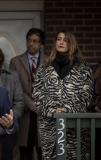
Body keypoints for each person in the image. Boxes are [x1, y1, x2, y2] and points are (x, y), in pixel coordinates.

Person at [33, 29, 93, 160]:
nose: (61, 42)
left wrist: (67, 111)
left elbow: (86, 96)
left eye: (65, 40)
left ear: (72, 43)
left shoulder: (83, 68)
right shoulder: (44, 68)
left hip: (74, 128)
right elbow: (38, 95)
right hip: (49, 126)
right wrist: (53, 110)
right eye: (59, 39)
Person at [9, 28, 47, 160]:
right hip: (24, 112)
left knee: (44, 152)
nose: (31, 44)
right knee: (25, 152)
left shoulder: (49, 62)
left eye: (35, 41)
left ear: (41, 44)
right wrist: (30, 103)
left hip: (43, 114)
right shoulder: (15, 61)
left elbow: (52, 88)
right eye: (29, 40)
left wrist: (40, 104)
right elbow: (14, 86)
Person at [0, 44, 24, 160]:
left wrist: (11, 119)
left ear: (0, 57)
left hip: (6, 128)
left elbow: (19, 101)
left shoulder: (12, 75)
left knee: (6, 156)